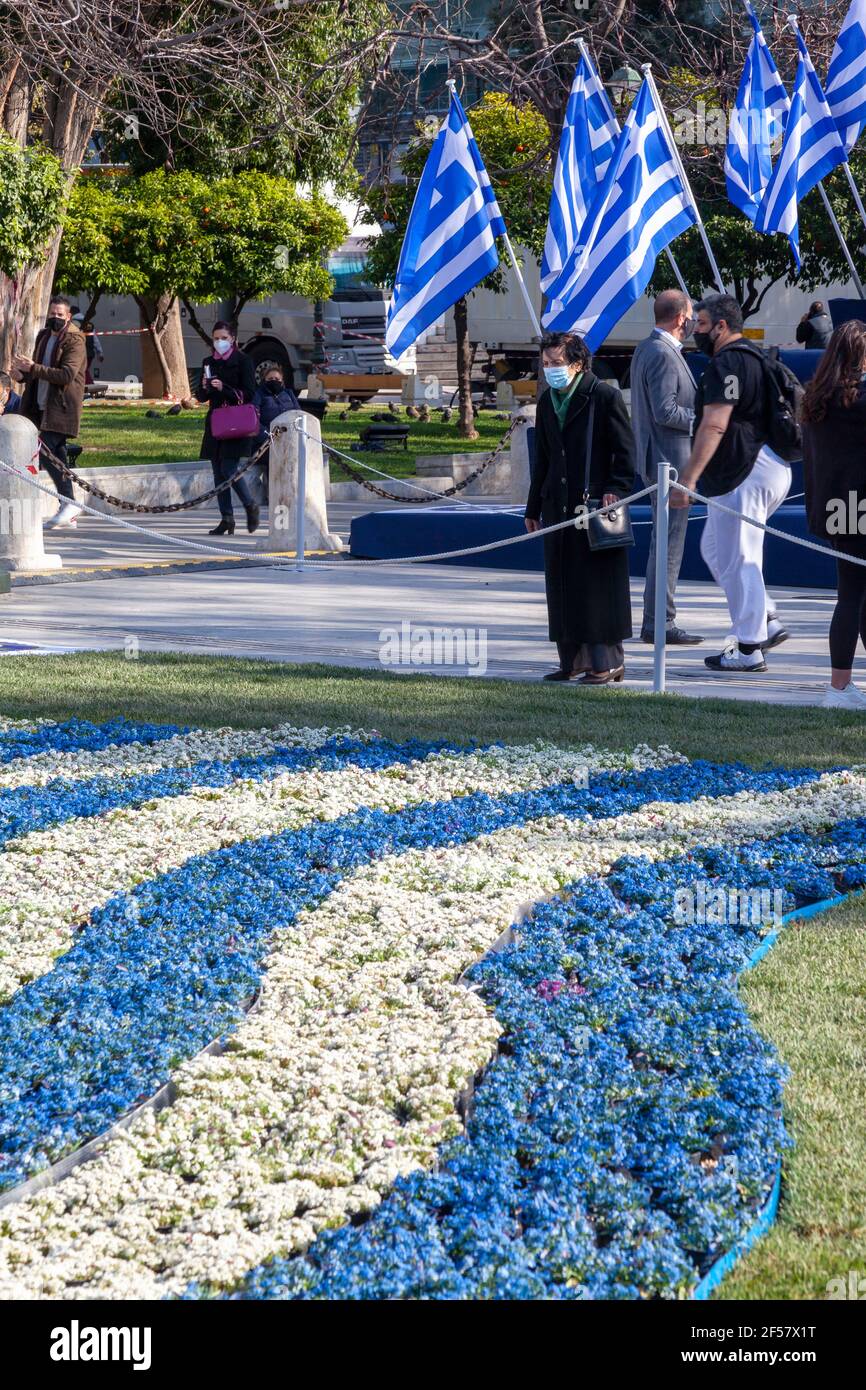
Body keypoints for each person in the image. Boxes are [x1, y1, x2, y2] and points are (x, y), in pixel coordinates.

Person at [671, 295, 791, 672]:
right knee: (716, 549)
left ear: (722, 326)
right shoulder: (753, 357)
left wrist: (687, 479)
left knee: (740, 558)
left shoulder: (728, 362)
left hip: (746, 469)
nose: (696, 331)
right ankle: (765, 619)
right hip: (765, 466)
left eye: (702, 324)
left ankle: (749, 646)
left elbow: (716, 423)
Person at [525, 331, 636, 684]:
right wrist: (533, 507)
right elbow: (542, 458)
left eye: (556, 363)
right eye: (545, 364)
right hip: (557, 505)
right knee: (561, 583)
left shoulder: (603, 396)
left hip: (594, 505)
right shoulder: (547, 401)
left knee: (595, 586)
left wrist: (615, 489)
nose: (550, 370)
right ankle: (570, 660)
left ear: (577, 363)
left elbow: (625, 451)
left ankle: (606, 662)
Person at [630, 289, 702, 645]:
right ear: (679, 318)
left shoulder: (648, 347)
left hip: (661, 460)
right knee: (669, 547)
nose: (692, 322)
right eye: (690, 316)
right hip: (668, 465)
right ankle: (661, 622)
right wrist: (702, 420)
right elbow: (665, 411)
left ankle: (656, 619)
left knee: (665, 544)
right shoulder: (660, 353)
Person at [801, 320, 866, 710]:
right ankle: (838, 690)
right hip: (863, 506)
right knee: (854, 597)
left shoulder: (818, 398)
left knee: (853, 595)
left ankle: (840, 687)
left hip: (839, 509)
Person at [11, 294, 87, 529]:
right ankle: (69, 507)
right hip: (38, 406)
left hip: (61, 408)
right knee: (57, 454)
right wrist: (23, 375)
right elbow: (39, 371)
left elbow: (66, 375)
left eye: (59, 315)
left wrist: (34, 367)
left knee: (42, 450)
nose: (55, 318)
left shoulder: (75, 340)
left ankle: (69, 503)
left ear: (68, 316)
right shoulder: (44, 336)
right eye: (52, 314)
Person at [195, 321, 260, 536]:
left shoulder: (243, 361)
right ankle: (227, 519)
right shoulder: (208, 362)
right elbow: (202, 397)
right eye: (216, 338)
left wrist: (225, 388)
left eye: (223, 338)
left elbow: (249, 393)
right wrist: (204, 387)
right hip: (216, 421)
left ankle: (250, 505)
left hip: (236, 420)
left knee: (229, 468)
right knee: (217, 472)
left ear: (232, 338)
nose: (219, 342)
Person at [252, 364, 300, 501]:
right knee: (274, 459)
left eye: (277, 378)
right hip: (267, 440)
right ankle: (275, 495)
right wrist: (267, 435)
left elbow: (298, 413)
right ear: (264, 380)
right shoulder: (259, 395)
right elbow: (254, 419)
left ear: (282, 380)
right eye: (270, 378)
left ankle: (293, 493)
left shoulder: (288, 393)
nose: (274, 380)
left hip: (290, 437)